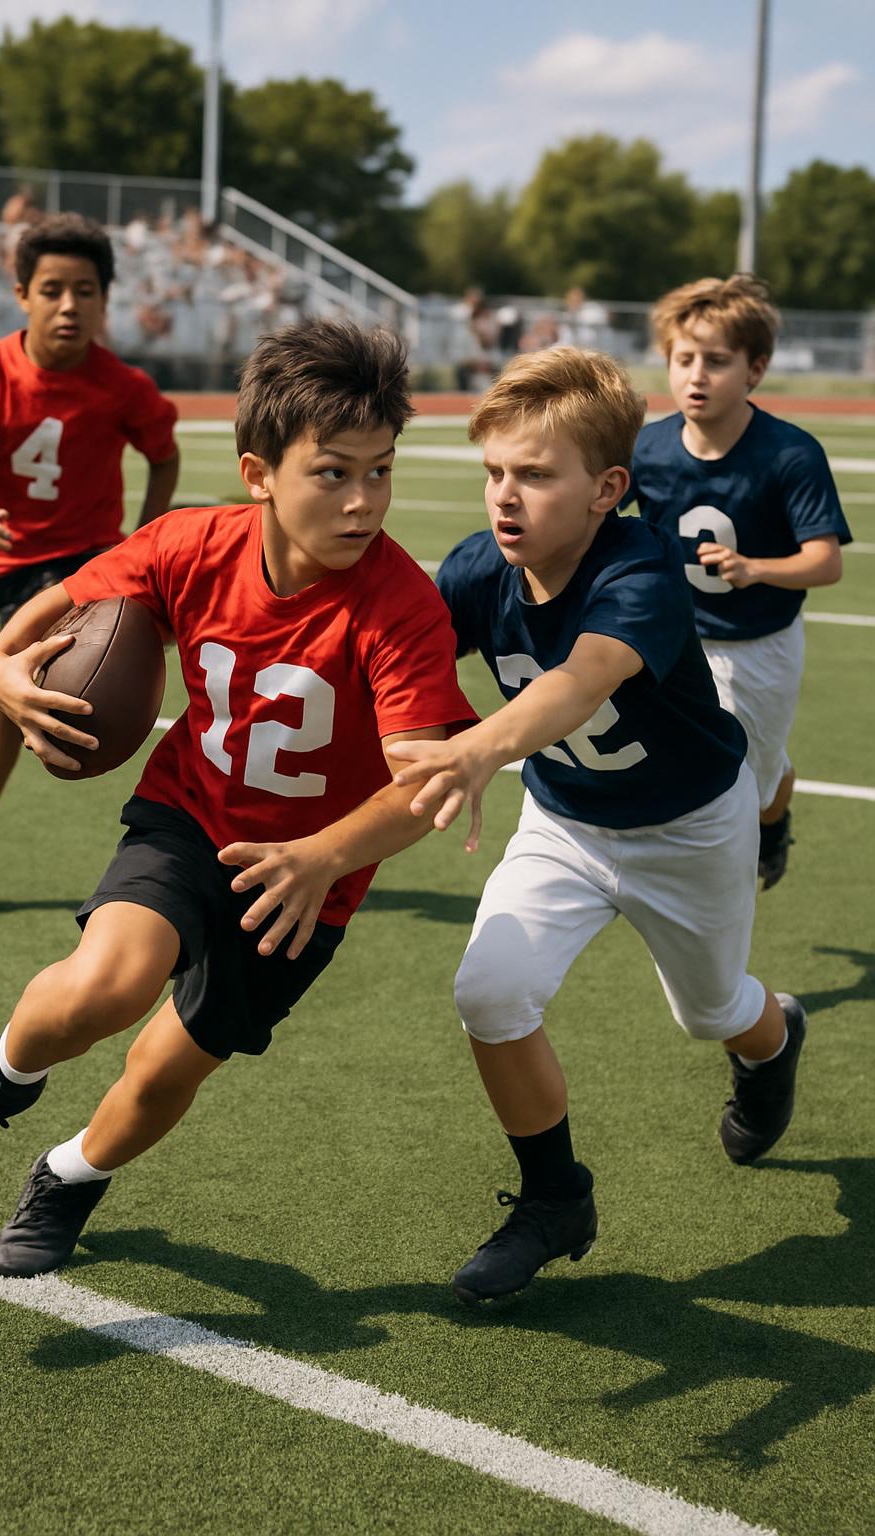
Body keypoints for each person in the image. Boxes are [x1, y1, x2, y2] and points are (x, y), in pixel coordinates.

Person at [0, 319, 473, 1280]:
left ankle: (68, 1177)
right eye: (333, 472)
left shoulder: (400, 603)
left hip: (310, 880)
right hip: (193, 814)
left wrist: (323, 856)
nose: (364, 501)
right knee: (109, 983)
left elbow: (423, 784)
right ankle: (0, 1073)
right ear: (258, 472)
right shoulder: (192, 542)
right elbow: (70, 601)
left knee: (162, 1073)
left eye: (382, 470)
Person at [386, 347, 806, 1306]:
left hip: (689, 826)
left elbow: (580, 683)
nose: (506, 496)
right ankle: (554, 1199)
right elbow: (389, 646)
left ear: (607, 489)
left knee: (710, 1013)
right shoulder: (474, 569)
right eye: (495, 471)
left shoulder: (642, 567)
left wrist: (478, 750)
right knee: (490, 991)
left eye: (535, 475)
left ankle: (774, 1035)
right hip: (567, 822)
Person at [0, 213, 181, 904]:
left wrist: (143, 535)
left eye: (86, 290)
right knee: (15, 673)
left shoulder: (122, 384)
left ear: (104, 300)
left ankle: (203, 818)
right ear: (22, 294)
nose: (70, 305)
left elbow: (163, 455)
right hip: (16, 562)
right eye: (53, 289)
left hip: (95, 555)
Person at [626, 275, 851, 888]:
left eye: (717, 361)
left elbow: (825, 562)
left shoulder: (789, 453)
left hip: (758, 643)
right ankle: (695, 880)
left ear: (755, 369)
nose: (696, 375)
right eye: (684, 358)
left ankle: (773, 818)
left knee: (757, 784)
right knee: (688, 771)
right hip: (675, 637)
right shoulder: (647, 448)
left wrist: (755, 569)